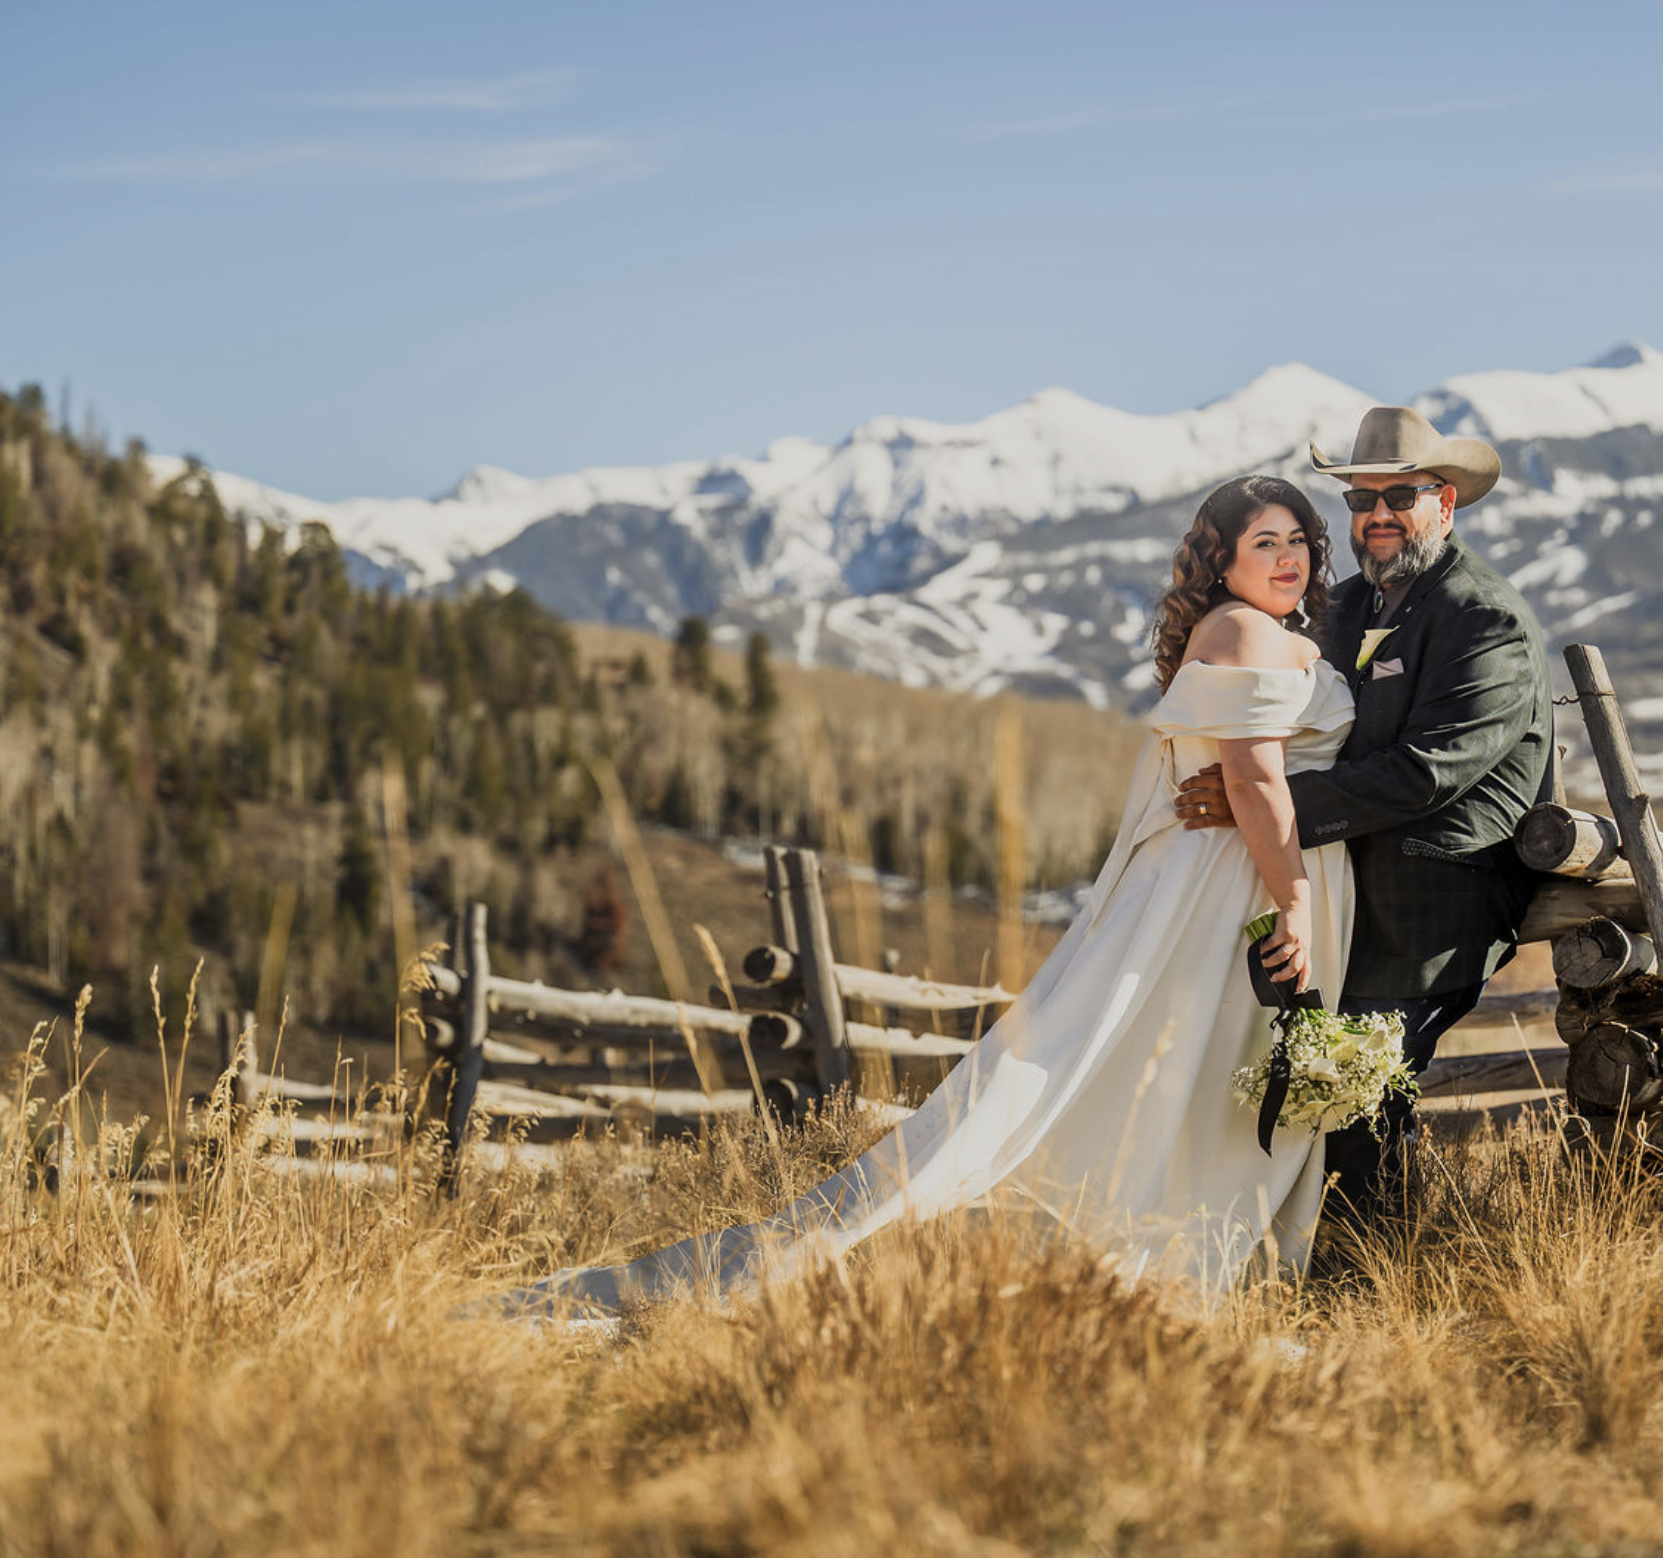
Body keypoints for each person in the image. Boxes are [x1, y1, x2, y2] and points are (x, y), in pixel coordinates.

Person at [508, 475, 1358, 1314]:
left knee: (1181, 1062)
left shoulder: (1269, 628)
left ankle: (1181, 1239)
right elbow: (1253, 781)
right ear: (1221, 561)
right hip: (1227, 890)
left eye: (1297, 541)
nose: (1287, 557)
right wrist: (1292, 902)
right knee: (1170, 1060)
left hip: (1225, 875)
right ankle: (1136, 1242)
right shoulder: (1243, 630)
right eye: (1263, 543)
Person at [1174, 406, 1554, 1235]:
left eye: (1400, 497)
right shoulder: (1338, 608)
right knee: (1286, 1084)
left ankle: (1366, 1275)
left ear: (1445, 503)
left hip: (1429, 907)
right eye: (1361, 500)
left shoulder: (1483, 619)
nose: (1378, 515)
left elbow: (1427, 772)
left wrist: (1262, 806)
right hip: (1336, 893)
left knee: (1356, 1099)